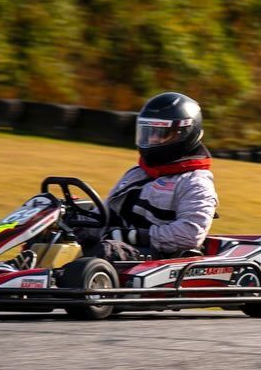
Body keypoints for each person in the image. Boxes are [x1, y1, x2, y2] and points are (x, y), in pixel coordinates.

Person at [78, 92, 219, 261]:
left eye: (161, 133)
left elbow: (190, 233)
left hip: (156, 257)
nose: (152, 139)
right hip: (116, 246)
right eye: (148, 132)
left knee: (104, 252)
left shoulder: (195, 182)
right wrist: (73, 221)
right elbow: (107, 215)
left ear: (184, 133)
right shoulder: (138, 173)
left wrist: (135, 236)